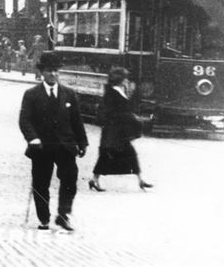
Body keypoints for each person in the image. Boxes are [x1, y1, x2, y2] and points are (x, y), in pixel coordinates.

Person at [18, 51, 88, 232]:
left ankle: (63, 215)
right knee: (41, 183)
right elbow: (24, 120)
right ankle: (44, 218)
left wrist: (83, 142)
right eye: (49, 71)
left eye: (56, 71)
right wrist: (33, 138)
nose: (53, 74)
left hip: (65, 145)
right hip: (41, 146)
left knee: (70, 179)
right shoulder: (32, 94)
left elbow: (76, 121)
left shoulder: (69, 94)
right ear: (42, 72)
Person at [90, 67, 153, 192]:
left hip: (117, 131)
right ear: (120, 80)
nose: (127, 81)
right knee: (108, 156)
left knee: (125, 154)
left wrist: (131, 117)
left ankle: (140, 180)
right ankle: (94, 179)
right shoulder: (112, 93)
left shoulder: (117, 91)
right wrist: (134, 118)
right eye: (125, 79)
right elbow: (116, 112)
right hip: (113, 131)